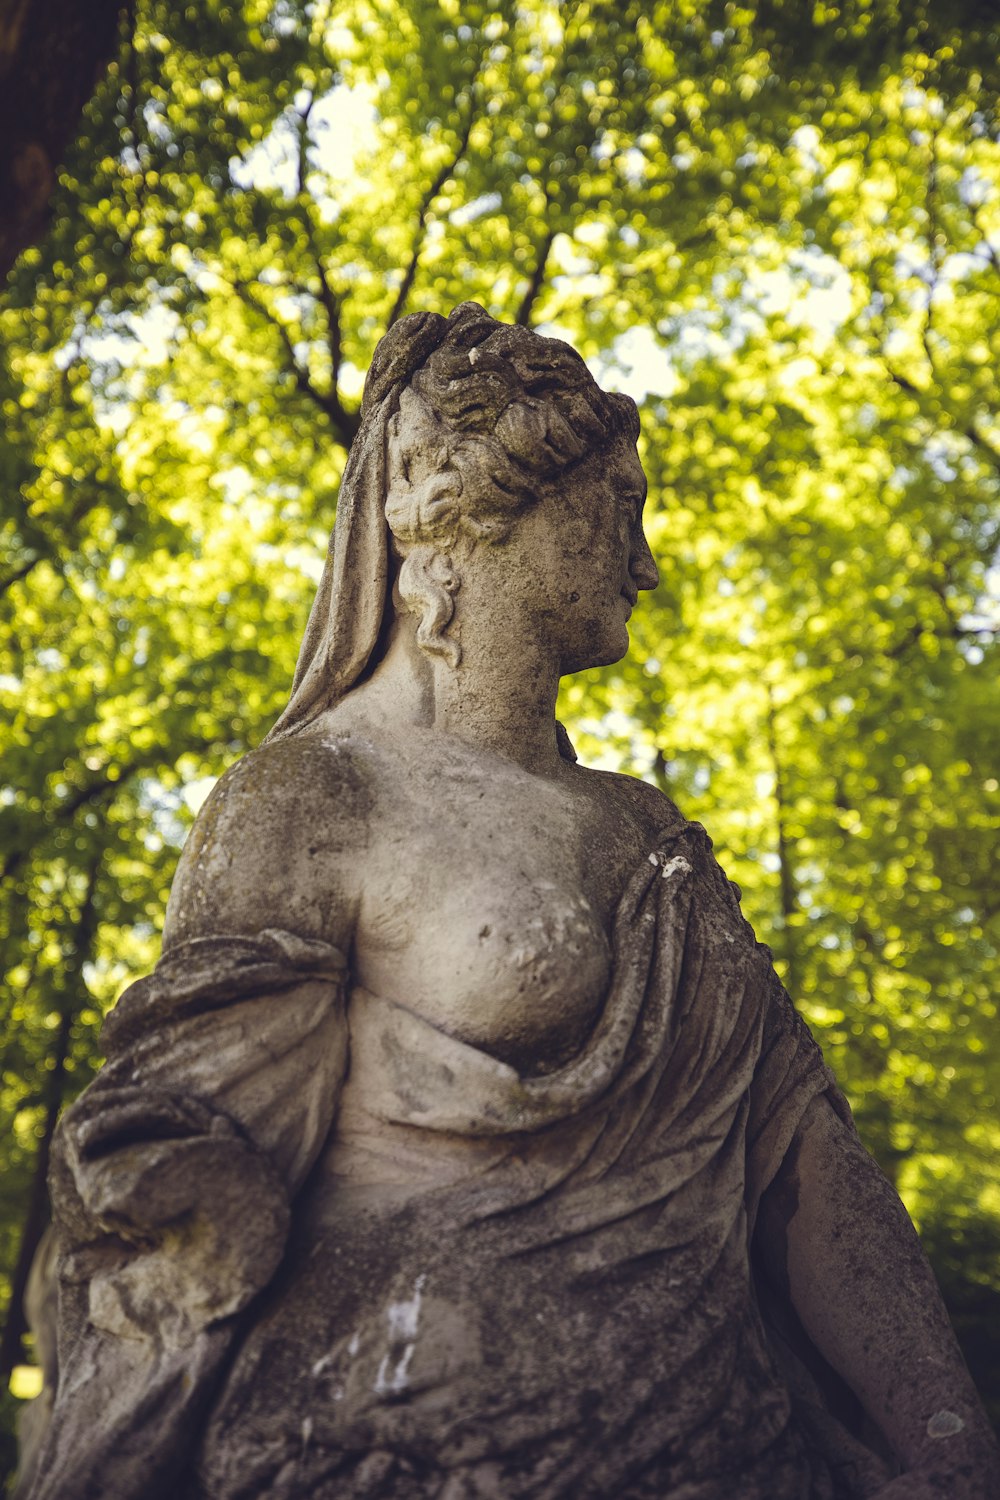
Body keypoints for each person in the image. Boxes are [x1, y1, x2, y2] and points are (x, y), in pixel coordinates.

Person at [20, 304, 999, 1500]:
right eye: (620, 510)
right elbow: (164, 1162)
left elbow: (800, 1149)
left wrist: (946, 1438)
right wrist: (192, 1195)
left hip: (734, 1448)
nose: (643, 562)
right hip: (407, 1449)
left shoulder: (645, 830)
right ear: (493, 502)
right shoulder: (312, 796)